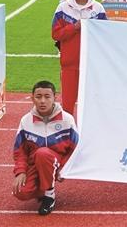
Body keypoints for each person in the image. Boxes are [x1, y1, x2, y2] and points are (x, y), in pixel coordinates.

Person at [12, 80, 78, 216]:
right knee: (20, 192)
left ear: (55, 97)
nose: (42, 101)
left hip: (56, 161)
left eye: (47, 97)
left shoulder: (67, 119)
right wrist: (20, 172)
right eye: (38, 96)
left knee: (43, 154)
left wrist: (64, 168)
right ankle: (43, 187)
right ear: (32, 98)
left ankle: (49, 195)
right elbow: (20, 151)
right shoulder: (26, 120)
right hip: (35, 163)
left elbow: (75, 148)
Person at [51, 0, 107, 115]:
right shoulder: (63, 8)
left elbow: (104, 36)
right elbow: (55, 34)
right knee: (68, 104)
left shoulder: (98, 9)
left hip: (91, 64)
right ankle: (68, 128)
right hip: (69, 64)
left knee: (91, 103)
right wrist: (74, 27)